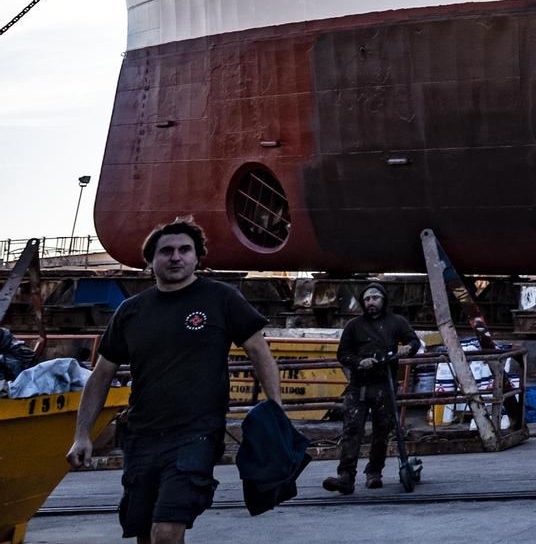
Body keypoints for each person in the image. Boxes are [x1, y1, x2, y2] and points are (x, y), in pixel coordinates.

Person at [67, 218, 286, 543]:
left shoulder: (221, 299)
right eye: (166, 250)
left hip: (196, 434)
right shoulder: (131, 311)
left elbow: (259, 351)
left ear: (197, 257)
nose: (176, 256)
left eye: (185, 250)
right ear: (150, 260)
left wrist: (276, 410)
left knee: (167, 530)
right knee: (145, 532)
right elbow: (101, 375)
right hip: (141, 436)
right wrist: (82, 435)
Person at [324, 280, 420, 493]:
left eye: (375, 298)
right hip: (359, 386)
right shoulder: (354, 326)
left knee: (381, 431)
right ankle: (346, 477)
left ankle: (374, 473)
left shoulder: (397, 322)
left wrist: (407, 349)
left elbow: (414, 342)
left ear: (383, 300)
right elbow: (343, 354)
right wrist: (359, 362)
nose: (371, 302)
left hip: (384, 385)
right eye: (367, 299)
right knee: (351, 430)